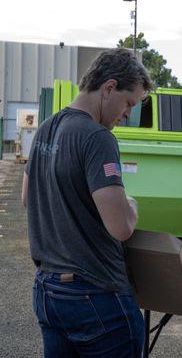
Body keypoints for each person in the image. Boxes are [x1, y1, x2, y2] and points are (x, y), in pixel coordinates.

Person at [21, 48, 153, 357]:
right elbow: (120, 228)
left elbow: (28, 198)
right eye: (128, 103)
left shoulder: (45, 129)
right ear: (109, 88)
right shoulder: (97, 137)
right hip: (96, 297)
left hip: (48, 291)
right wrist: (130, 207)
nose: (127, 114)